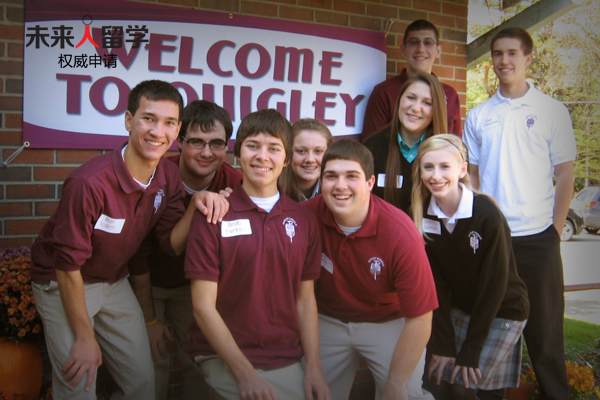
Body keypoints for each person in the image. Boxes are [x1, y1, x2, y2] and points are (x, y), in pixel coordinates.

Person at [30, 80, 227, 400]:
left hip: (114, 280)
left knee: (142, 382)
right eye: (148, 118)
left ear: (177, 130)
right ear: (128, 120)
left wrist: (196, 204)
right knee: (79, 382)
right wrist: (84, 337)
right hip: (63, 280)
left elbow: (169, 244)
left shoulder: (168, 176)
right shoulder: (88, 183)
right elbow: (66, 265)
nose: (157, 131)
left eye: (168, 123)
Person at [184, 109, 331, 400]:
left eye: (274, 148)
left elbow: (305, 300)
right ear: (238, 153)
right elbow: (202, 307)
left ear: (286, 159)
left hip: (285, 356)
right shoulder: (214, 214)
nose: (262, 156)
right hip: (221, 356)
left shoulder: (303, 220)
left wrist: (314, 368)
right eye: (253, 146)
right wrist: (246, 375)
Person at [463, 27, 577, 400]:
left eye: (512, 53)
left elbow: (565, 175)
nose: (504, 61)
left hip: (538, 240)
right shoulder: (479, 115)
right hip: (494, 242)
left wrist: (555, 232)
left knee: (545, 338)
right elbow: (474, 177)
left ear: (528, 58)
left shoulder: (551, 110)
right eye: (497, 54)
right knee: (493, 334)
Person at [303, 139, 438, 400]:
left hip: (387, 321)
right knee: (309, 392)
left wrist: (396, 384)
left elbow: (421, 318)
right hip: (327, 320)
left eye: (351, 176)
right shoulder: (305, 217)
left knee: (404, 395)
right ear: (321, 182)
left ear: (370, 183)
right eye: (331, 176)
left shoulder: (400, 233)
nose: (340, 185)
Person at [128, 100, 242, 400]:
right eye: (197, 142)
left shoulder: (235, 183)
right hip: (147, 281)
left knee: (198, 364)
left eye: (216, 143)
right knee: (152, 365)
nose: (206, 152)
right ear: (179, 142)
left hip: (194, 289)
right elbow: (137, 254)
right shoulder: (159, 176)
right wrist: (150, 319)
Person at [411, 134, 530, 399]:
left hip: (501, 311)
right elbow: (435, 285)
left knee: (464, 388)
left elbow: (493, 285)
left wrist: (471, 350)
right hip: (460, 309)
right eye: (428, 167)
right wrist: (443, 345)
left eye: (445, 167)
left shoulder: (486, 214)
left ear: (462, 169)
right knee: (435, 381)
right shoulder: (422, 215)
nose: (436, 175)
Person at [361, 19, 462, 141]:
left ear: (438, 51)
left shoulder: (450, 94)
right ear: (403, 49)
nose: (421, 49)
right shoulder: (384, 91)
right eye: (414, 42)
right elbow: (371, 146)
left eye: (428, 43)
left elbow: (457, 145)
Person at [363, 72, 447, 215]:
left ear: (436, 109)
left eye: (427, 103)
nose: (415, 108)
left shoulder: (447, 151)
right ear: (399, 100)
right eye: (411, 98)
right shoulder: (372, 147)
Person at [280, 118, 334, 202]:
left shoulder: (337, 191)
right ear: (288, 152)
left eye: (318, 151)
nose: (310, 159)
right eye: (301, 151)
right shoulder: (273, 191)